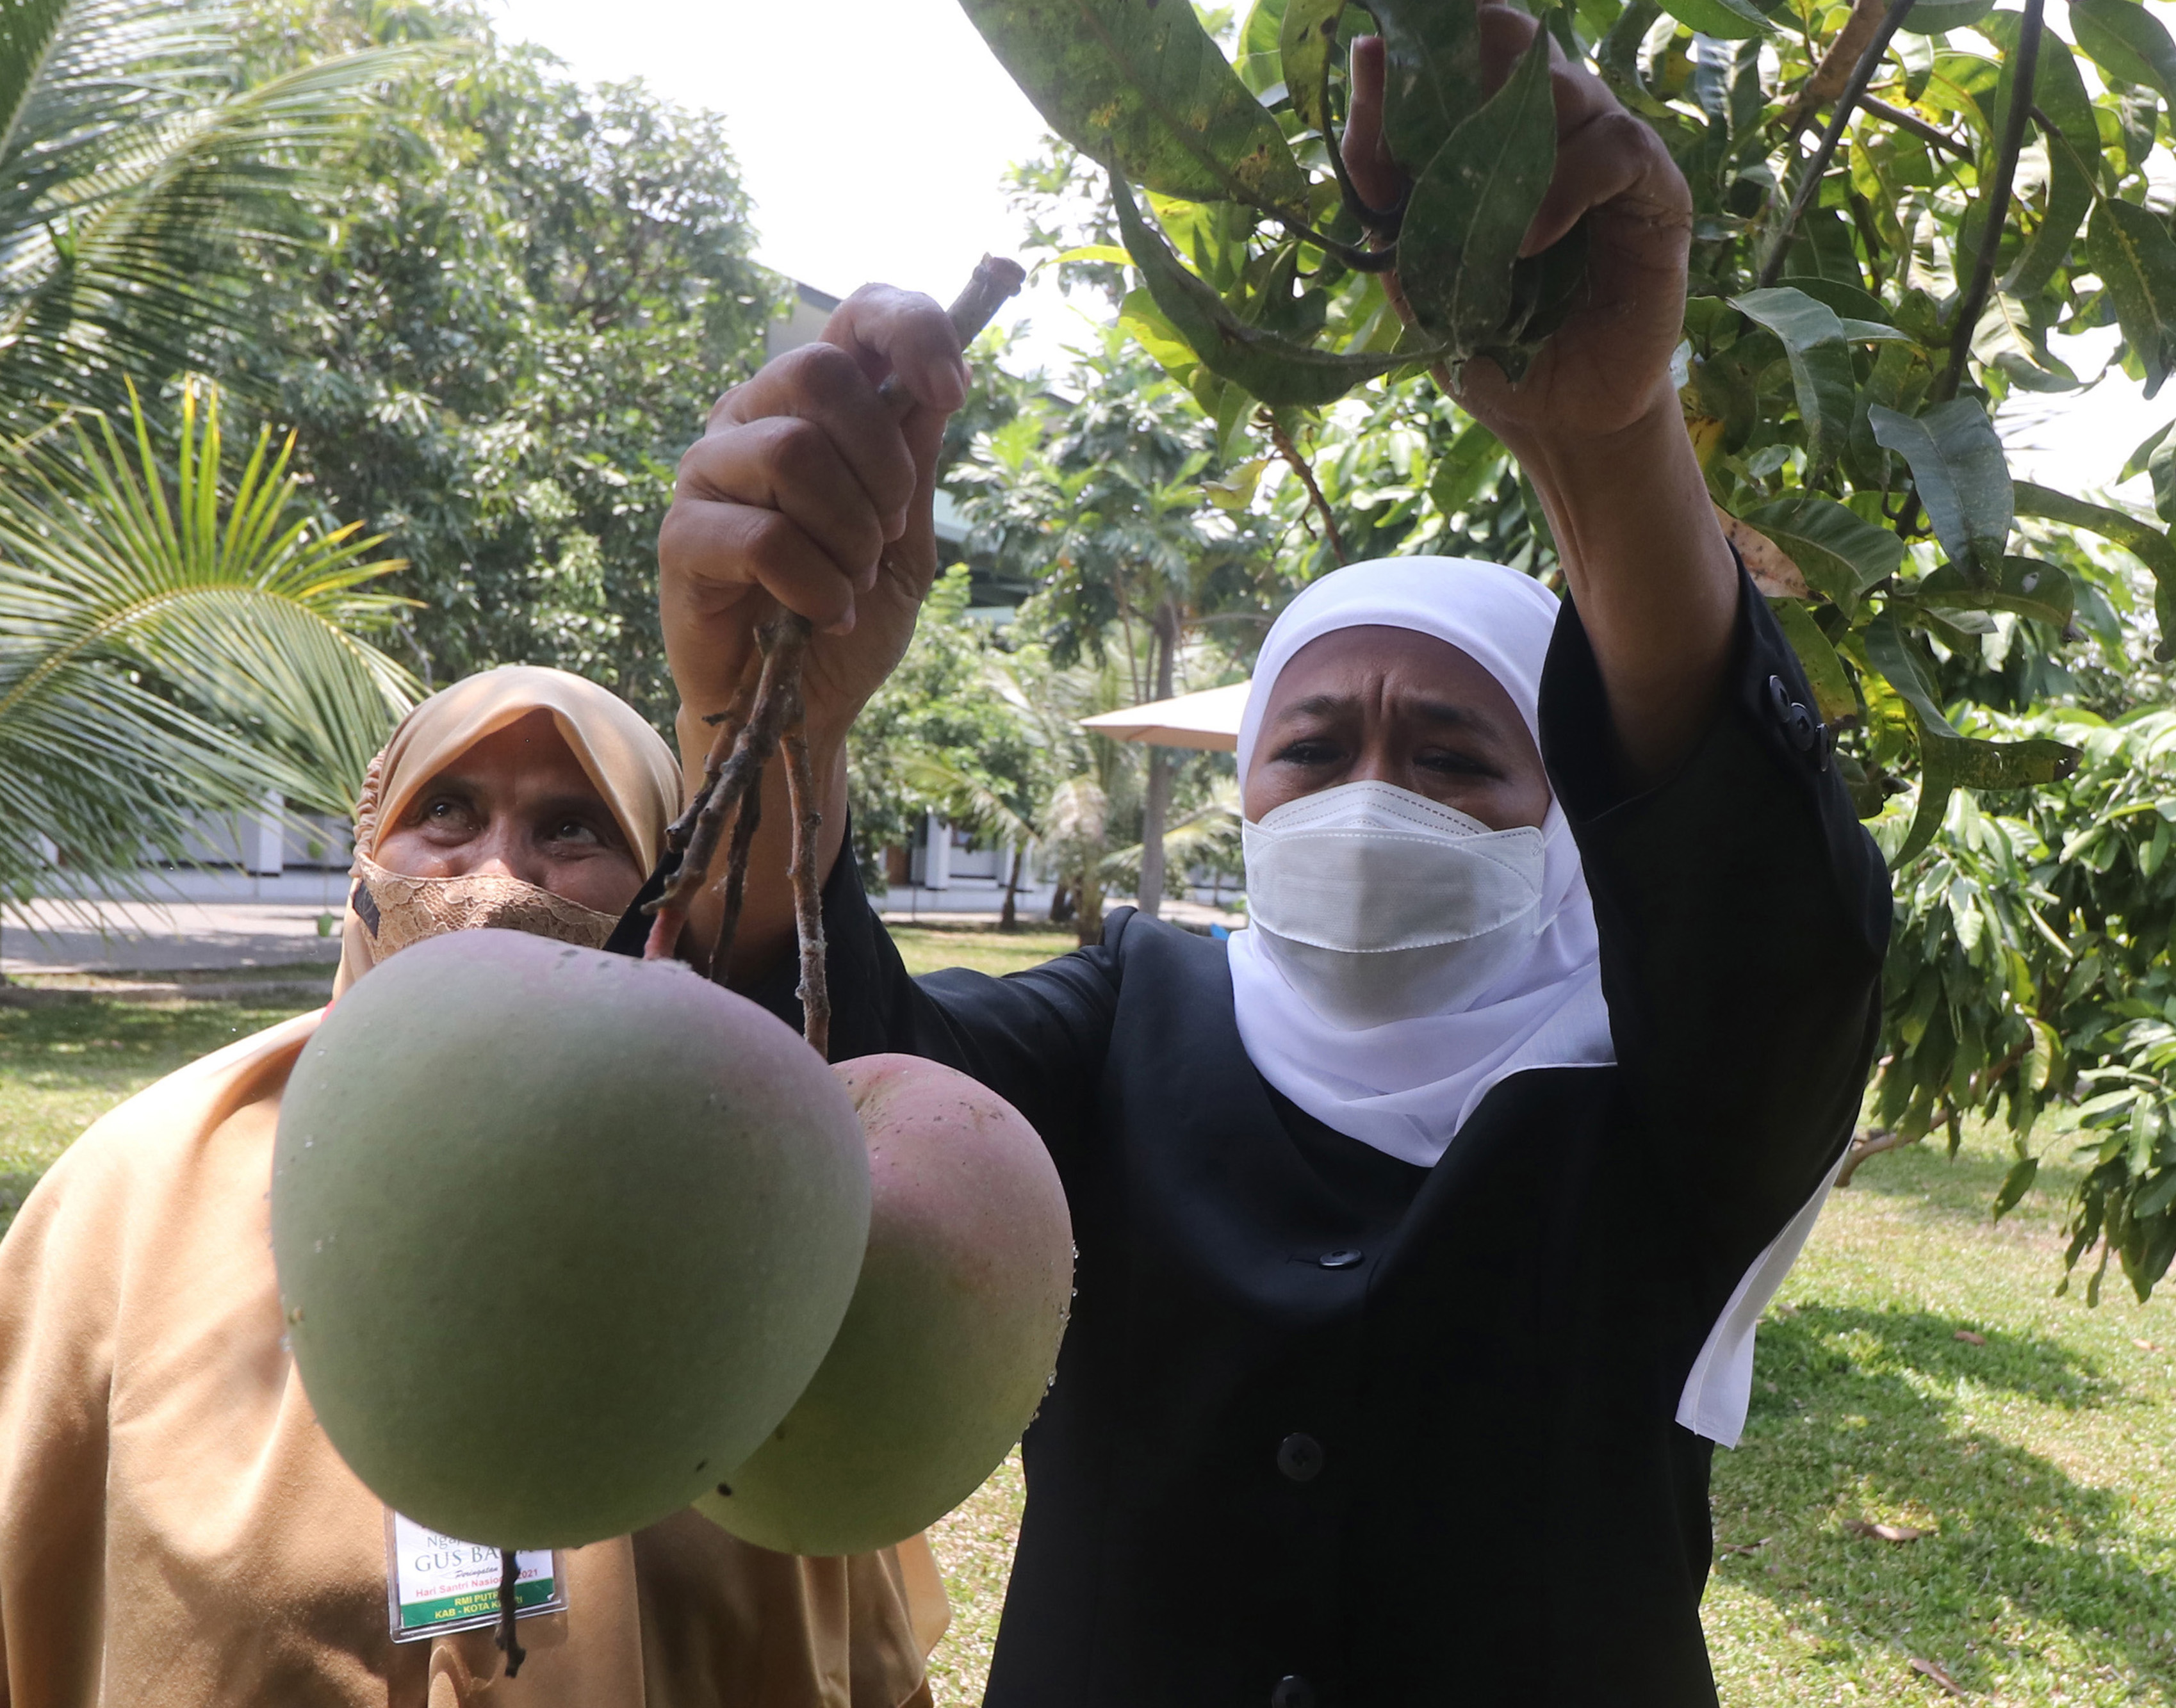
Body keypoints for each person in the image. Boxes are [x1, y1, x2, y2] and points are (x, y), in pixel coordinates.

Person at [637, 9, 1891, 1704]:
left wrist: (1608, 447)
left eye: (1455, 757)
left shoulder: (1676, 1103)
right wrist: (765, 726)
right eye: (1312, 750)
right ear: (1243, 798)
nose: (1374, 795)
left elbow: (1770, 921)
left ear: (1576, 824)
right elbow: (819, 1109)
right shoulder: (1123, 1021)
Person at [0, 666, 947, 1708]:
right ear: (364, 855)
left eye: (573, 825)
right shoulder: (143, 1180)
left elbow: (827, 1632)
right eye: (446, 810)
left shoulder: (745, 1223)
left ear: (665, 890)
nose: (496, 872)